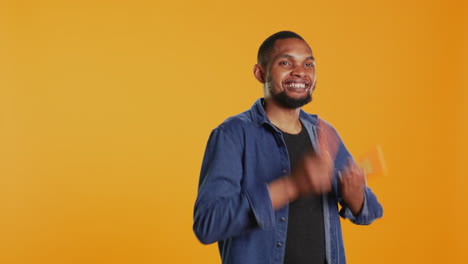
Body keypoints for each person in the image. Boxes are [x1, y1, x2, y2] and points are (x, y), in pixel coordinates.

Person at [193, 31, 383, 264]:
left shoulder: (324, 133)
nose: (300, 72)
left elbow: (370, 210)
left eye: (308, 64)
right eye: (285, 62)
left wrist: (354, 195)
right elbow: (208, 224)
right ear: (260, 73)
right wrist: (291, 185)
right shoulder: (232, 135)